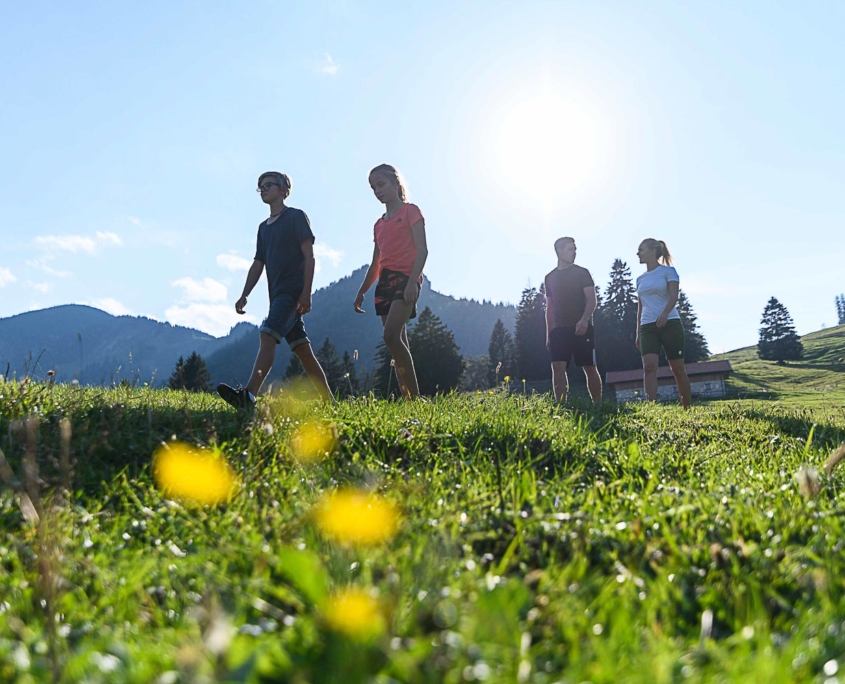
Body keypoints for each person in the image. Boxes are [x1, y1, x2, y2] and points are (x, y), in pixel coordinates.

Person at [216, 171, 332, 410]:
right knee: (302, 350)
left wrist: (306, 292)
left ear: (283, 190)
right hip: (276, 294)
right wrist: (245, 293)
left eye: (268, 185)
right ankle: (329, 402)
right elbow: (258, 263)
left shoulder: (296, 217)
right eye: (260, 187)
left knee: (267, 334)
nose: (264, 190)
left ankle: (248, 396)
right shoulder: (263, 228)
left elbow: (309, 257)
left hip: (292, 292)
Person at [354, 164, 428, 399]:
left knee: (390, 335)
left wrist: (412, 283)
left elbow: (423, 251)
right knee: (397, 343)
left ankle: (417, 399)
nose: (377, 191)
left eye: (381, 184)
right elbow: (376, 262)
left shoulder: (410, 212)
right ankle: (409, 400)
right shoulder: (379, 224)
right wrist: (362, 291)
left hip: (406, 279)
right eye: (373, 187)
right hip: (384, 283)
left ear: (396, 184)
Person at [544, 237, 602, 403]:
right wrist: (549, 334)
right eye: (570, 249)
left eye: (575, 249)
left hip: (582, 327)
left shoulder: (582, 272)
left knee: (590, 367)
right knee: (557, 367)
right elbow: (550, 308)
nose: (574, 252)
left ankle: (597, 406)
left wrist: (584, 320)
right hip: (559, 330)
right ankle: (561, 407)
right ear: (559, 251)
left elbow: (592, 300)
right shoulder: (549, 277)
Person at [635, 238, 691, 408]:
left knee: (677, 368)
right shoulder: (640, 279)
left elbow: (674, 296)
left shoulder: (669, 272)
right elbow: (640, 306)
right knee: (649, 367)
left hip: (670, 323)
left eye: (641, 250)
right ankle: (651, 408)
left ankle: (687, 408)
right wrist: (638, 332)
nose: (638, 254)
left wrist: (665, 314)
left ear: (653, 251)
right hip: (648, 327)